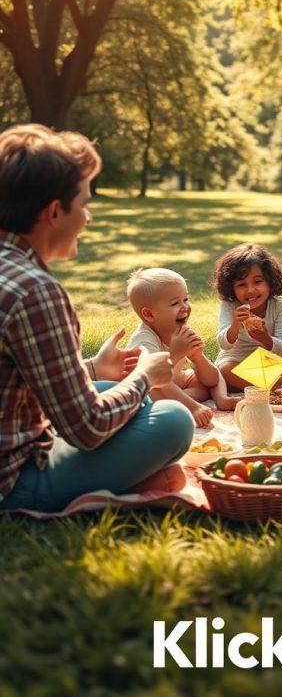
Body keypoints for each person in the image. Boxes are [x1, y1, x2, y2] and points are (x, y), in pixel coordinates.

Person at [0, 124, 194, 514]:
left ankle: (130, 478)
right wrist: (145, 377)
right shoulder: (36, 292)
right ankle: (112, 488)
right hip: (13, 482)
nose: (87, 218)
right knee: (174, 419)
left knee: (105, 382)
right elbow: (86, 429)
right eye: (84, 204)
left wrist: (89, 367)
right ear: (55, 212)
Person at [127, 267, 228, 423]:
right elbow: (153, 378)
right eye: (175, 303)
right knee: (156, 391)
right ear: (149, 314)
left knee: (207, 377)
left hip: (174, 382)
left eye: (186, 299)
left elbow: (212, 380)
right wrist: (193, 407)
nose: (185, 307)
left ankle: (221, 398)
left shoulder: (178, 330)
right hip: (144, 388)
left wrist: (198, 358)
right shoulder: (144, 341)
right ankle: (182, 403)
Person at [213, 243, 282, 394]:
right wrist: (235, 324)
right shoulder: (230, 305)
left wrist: (266, 339)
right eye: (242, 284)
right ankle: (275, 386)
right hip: (235, 361)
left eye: (257, 282)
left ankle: (267, 385)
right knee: (224, 370)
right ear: (231, 288)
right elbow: (224, 344)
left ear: (270, 281)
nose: (250, 290)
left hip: (264, 363)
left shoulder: (279, 304)